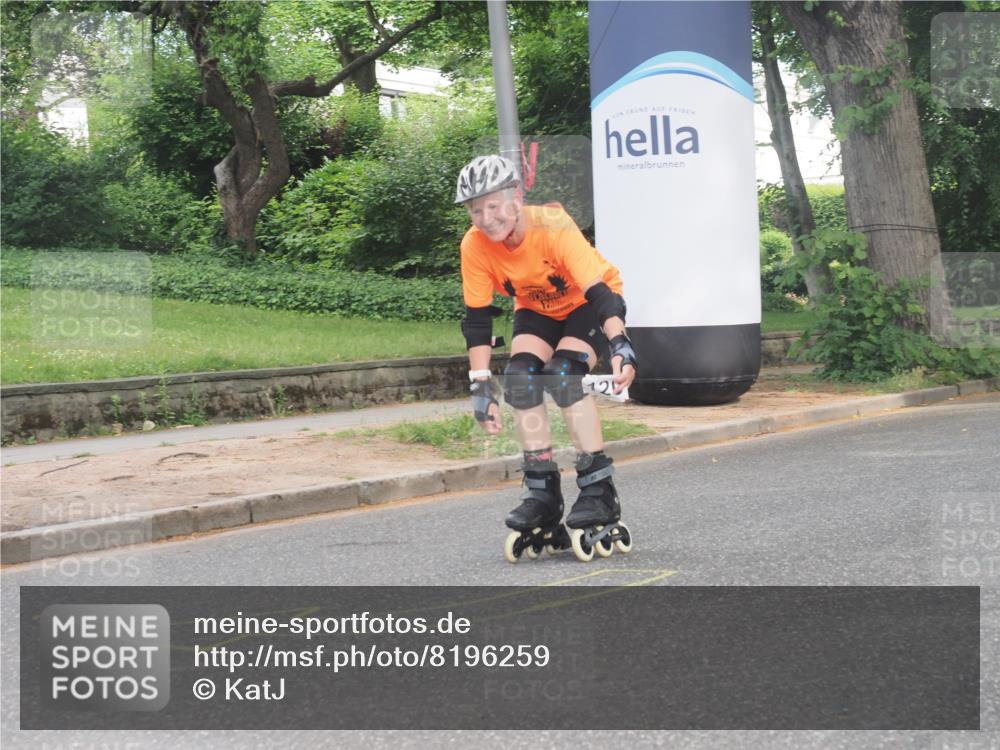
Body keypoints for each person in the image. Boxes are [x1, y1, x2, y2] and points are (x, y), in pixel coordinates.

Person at [455, 154, 638, 562]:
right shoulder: (474, 245)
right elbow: (478, 321)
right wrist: (481, 386)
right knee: (519, 381)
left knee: (563, 375)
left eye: (494, 205)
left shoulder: (551, 225)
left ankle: (597, 489)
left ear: (516, 197)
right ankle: (542, 491)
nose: (486, 218)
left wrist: (621, 345)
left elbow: (599, 293)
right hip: (537, 309)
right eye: (476, 209)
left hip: (587, 302)